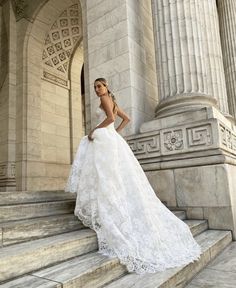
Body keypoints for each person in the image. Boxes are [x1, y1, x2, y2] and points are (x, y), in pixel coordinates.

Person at [65, 78, 201, 274]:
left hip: (106, 138)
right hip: (112, 139)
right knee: (111, 174)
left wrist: (96, 130)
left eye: (99, 86)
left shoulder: (105, 100)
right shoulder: (113, 101)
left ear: (106, 86)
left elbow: (111, 119)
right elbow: (124, 119)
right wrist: (115, 133)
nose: (97, 89)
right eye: (95, 87)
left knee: (105, 173)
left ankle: (108, 205)